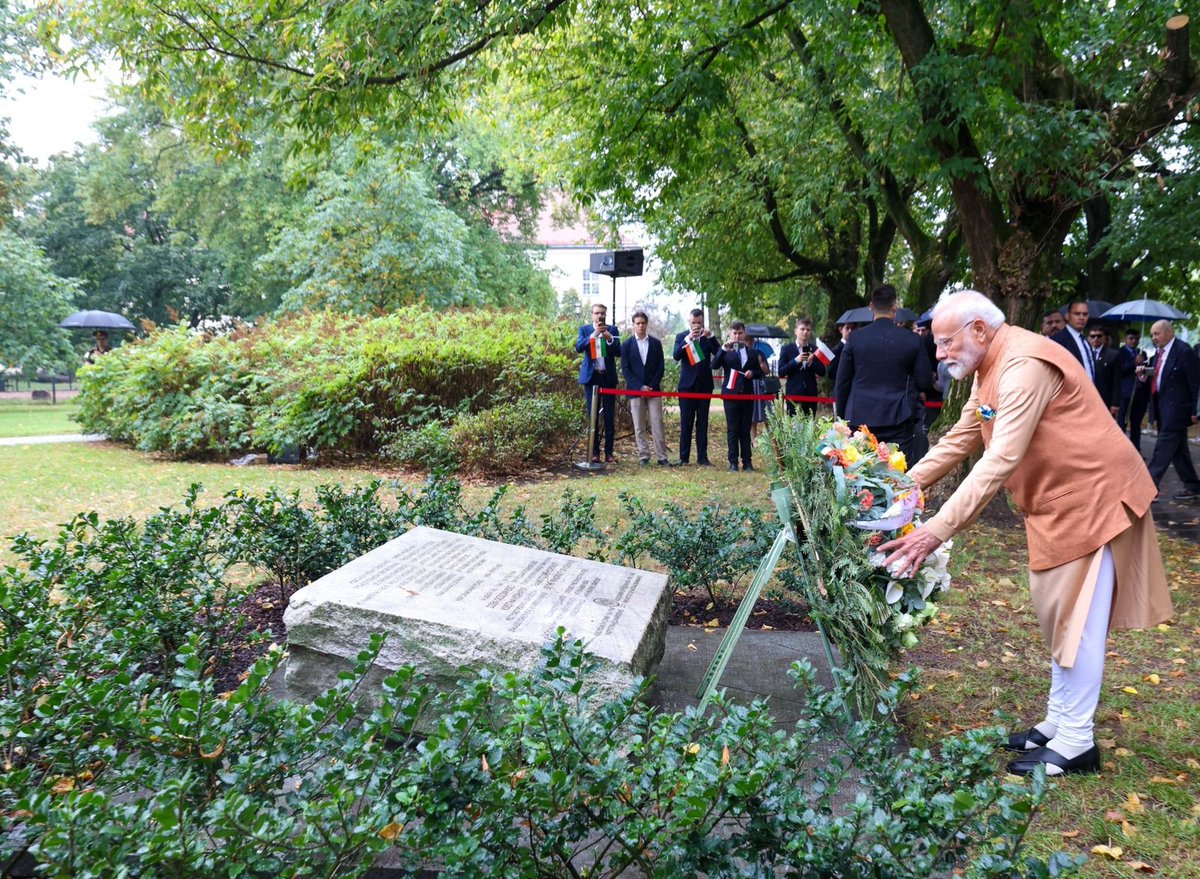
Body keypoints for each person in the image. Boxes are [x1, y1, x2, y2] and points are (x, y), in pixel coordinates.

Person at [879, 290, 1172, 777]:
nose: (939, 353)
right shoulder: (990, 365)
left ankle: (1078, 741)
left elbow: (999, 459)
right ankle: (1060, 722)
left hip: (1093, 500)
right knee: (1061, 616)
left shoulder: (1022, 365)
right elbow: (962, 437)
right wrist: (902, 489)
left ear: (978, 329)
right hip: (1061, 505)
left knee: (1076, 623)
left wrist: (933, 531)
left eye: (946, 342)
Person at [834, 284, 933, 463]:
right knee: (897, 473)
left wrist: (842, 417)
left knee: (860, 472)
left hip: (859, 418)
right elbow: (925, 381)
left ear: (871, 306)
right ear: (895, 307)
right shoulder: (912, 340)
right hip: (899, 418)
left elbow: (842, 382)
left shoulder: (855, 339)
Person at [1144, 319, 1200, 502]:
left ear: (1169, 333)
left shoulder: (1183, 351)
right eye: (1152, 334)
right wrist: (1144, 375)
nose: (1154, 338)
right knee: (1179, 450)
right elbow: (1159, 376)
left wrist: (1195, 410)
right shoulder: (1158, 354)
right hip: (1162, 406)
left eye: (1157, 333)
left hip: (1177, 409)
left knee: (1163, 448)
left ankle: (1148, 486)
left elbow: (1195, 383)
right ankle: (1192, 485)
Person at [712, 320, 764, 471]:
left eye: (740, 333)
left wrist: (752, 373)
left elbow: (760, 372)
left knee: (745, 428)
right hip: (730, 394)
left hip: (747, 394)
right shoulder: (726, 351)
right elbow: (714, 365)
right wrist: (722, 349)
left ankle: (747, 462)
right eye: (734, 333)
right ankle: (733, 462)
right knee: (733, 429)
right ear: (730, 334)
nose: (737, 336)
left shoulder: (753, 352)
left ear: (744, 333)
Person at [620, 310, 670, 466]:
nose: (640, 326)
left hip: (654, 390)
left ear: (646, 324)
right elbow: (626, 369)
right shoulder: (627, 345)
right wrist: (640, 387)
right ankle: (644, 456)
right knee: (639, 425)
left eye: (643, 323)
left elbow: (660, 367)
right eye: (637, 323)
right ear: (633, 325)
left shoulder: (655, 343)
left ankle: (662, 456)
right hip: (635, 390)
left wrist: (651, 386)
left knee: (657, 422)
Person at [574, 303, 620, 464]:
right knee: (592, 416)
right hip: (591, 377)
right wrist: (593, 335)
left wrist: (609, 339)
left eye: (602, 313)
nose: (600, 316)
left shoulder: (612, 330)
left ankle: (609, 453)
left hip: (607, 377)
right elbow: (578, 347)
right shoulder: (585, 330)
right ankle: (594, 453)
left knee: (609, 416)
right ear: (592, 315)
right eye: (597, 313)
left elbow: (619, 352)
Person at [673, 308, 720, 466]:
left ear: (703, 323)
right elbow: (676, 356)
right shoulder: (681, 337)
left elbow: (719, 353)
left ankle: (702, 457)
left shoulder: (707, 339)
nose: (696, 326)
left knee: (703, 423)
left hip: (704, 385)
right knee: (686, 422)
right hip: (687, 386)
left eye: (699, 323)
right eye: (694, 323)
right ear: (689, 322)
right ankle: (684, 457)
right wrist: (688, 339)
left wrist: (711, 337)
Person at [777, 317, 825, 416]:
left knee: (809, 426)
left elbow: (822, 371)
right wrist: (796, 361)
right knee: (794, 428)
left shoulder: (815, 349)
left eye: (808, 330)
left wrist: (811, 364)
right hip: (793, 394)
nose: (805, 332)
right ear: (796, 331)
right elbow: (781, 371)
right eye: (802, 329)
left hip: (811, 394)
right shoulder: (786, 349)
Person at [1050, 300, 1094, 382]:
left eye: (1085, 314)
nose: (1082, 318)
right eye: (1077, 314)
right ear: (1067, 316)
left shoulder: (1085, 341)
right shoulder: (1058, 340)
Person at [1086, 325, 1121, 417]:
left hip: (1105, 400)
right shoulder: (1084, 353)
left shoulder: (1113, 355)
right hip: (1086, 399)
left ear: (1104, 337)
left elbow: (1116, 381)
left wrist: (1115, 403)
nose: (1096, 338)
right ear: (1088, 338)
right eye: (1092, 336)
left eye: (1099, 336)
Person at [1115, 330, 1141, 435]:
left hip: (1138, 392)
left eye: (1136, 339)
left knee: (1136, 423)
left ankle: (1136, 447)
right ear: (1125, 339)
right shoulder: (1119, 353)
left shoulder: (1140, 352)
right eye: (1131, 338)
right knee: (1122, 422)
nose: (1134, 341)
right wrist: (1134, 363)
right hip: (1124, 392)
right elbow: (1120, 370)